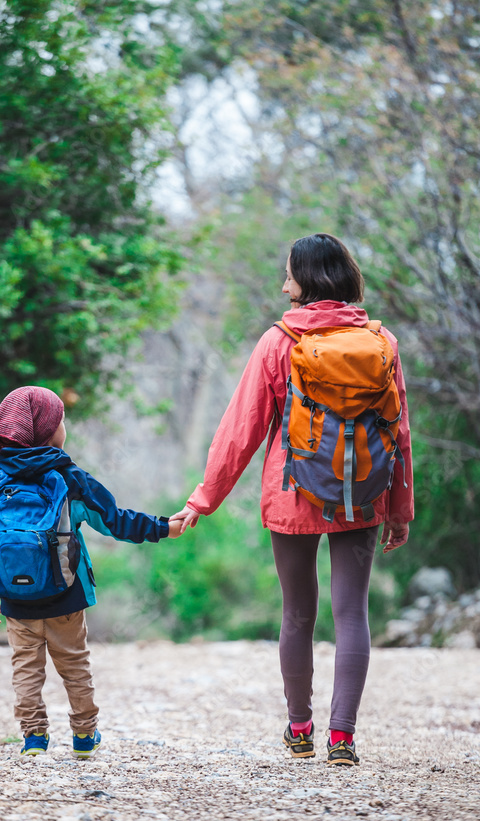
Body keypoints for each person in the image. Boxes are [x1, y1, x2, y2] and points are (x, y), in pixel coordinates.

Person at [171, 234, 414, 766]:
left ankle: (300, 728)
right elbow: (399, 434)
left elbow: (242, 430)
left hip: (293, 492)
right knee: (352, 614)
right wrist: (399, 509)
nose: (284, 286)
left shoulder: (279, 342)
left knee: (297, 614)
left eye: (290, 275)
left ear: (308, 280)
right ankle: (343, 737)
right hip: (362, 493)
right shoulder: (381, 342)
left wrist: (202, 499)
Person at [0, 386, 180, 758]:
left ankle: (34, 738)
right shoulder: (68, 479)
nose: (63, 428)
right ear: (48, 431)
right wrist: (164, 527)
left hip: (15, 600)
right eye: (61, 421)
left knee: (25, 669)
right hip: (66, 595)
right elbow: (115, 521)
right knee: (75, 666)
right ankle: (84, 737)